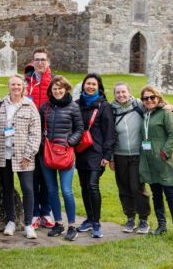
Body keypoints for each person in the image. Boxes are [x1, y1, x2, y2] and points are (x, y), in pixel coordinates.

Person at [0, 74, 41, 239]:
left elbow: (35, 134)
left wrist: (28, 154)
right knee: (7, 189)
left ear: (23, 87)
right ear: (9, 86)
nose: (15, 88)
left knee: (28, 189)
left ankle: (28, 224)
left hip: (23, 156)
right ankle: (11, 221)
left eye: (18, 85)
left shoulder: (30, 106)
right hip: (3, 155)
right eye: (13, 85)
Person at [38, 75, 83, 241]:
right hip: (47, 154)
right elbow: (38, 127)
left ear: (66, 89)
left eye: (60, 88)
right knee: (51, 190)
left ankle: (72, 225)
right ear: (51, 90)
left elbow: (79, 129)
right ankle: (58, 223)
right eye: (54, 88)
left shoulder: (73, 107)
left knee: (66, 190)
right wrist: (44, 145)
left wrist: (68, 143)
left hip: (65, 153)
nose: (57, 91)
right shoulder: (45, 108)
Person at [139, 86, 173, 244]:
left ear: (158, 97)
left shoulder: (166, 113)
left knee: (170, 195)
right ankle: (161, 226)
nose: (149, 100)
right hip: (150, 162)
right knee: (156, 193)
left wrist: (164, 153)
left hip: (164, 161)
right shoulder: (145, 114)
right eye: (146, 98)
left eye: (152, 97)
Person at [75, 73, 115, 238]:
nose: (90, 87)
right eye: (88, 84)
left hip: (97, 153)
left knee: (92, 185)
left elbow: (109, 132)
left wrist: (107, 154)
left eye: (94, 84)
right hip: (81, 152)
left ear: (99, 87)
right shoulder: (77, 104)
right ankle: (89, 219)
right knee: (84, 187)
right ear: (83, 85)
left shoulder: (104, 106)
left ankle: (96, 222)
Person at [110, 82, 151, 234]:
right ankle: (130, 218)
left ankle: (144, 220)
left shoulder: (139, 105)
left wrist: (168, 107)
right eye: (118, 93)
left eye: (123, 92)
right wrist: (112, 157)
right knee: (123, 188)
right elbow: (109, 134)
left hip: (137, 154)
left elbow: (157, 105)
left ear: (129, 92)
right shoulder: (111, 109)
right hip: (119, 155)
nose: (121, 95)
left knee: (137, 187)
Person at [23, 48, 54, 229]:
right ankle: (34, 212)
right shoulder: (26, 82)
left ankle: (46, 212)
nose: (40, 63)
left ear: (48, 62)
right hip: (30, 136)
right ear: (32, 62)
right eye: (37, 60)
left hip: (49, 137)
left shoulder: (54, 81)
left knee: (48, 177)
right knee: (32, 177)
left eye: (43, 59)